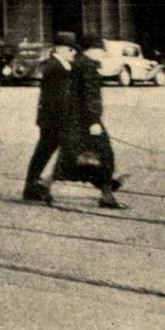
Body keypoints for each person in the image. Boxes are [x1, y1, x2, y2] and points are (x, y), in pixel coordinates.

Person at [60, 33, 125, 209]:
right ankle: (107, 194)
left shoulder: (79, 64)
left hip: (78, 119)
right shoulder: (88, 67)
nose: (102, 54)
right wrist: (94, 121)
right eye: (100, 50)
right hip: (87, 120)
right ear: (92, 50)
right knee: (103, 154)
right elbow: (90, 96)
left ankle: (46, 184)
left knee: (74, 156)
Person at [23, 32, 76, 204]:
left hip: (54, 118)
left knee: (44, 152)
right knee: (47, 152)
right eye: (70, 49)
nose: (73, 52)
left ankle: (33, 185)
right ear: (61, 49)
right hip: (53, 119)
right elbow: (56, 97)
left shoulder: (61, 65)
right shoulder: (55, 66)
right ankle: (35, 186)